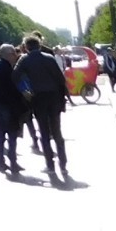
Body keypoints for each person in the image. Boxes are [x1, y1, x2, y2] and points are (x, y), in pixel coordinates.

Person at [15, 34, 70, 177]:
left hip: (38, 99)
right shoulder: (49, 58)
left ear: (26, 47)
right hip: (54, 98)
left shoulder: (24, 60)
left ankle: (50, 165)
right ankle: (63, 164)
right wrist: (63, 99)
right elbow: (60, 79)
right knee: (57, 132)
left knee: (44, 132)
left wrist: (25, 90)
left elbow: (14, 77)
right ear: (39, 45)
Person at [0, 44, 28, 175]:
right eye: (14, 53)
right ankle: (13, 163)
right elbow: (12, 88)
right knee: (12, 135)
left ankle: (1, 162)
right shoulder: (8, 69)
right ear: (8, 55)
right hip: (8, 106)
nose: (15, 55)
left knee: (0, 134)